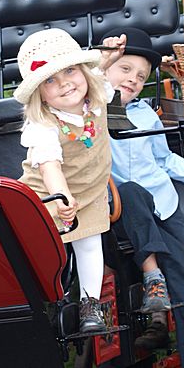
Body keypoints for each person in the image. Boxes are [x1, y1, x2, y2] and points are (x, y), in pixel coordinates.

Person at [101, 27, 184, 368]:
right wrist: (100, 68)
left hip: (161, 206)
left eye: (141, 76)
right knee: (130, 191)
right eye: (125, 69)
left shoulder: (145, 114)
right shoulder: (93, 110)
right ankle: (151, 277)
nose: (133, 79)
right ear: (106, 68)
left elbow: (163, 159)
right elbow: (102, 109)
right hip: (119, 210)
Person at [14, 28, 124, 333]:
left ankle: (91, 305)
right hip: (50, 194)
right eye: (50, 80)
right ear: (39, 94)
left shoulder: (97, 97)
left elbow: (98, 68)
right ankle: (43, 304)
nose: (64, 83)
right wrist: (61, 198)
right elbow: (50, 167)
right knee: (48, 250)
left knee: (89, 244)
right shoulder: (43, 125)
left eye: (70, 71)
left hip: (90, 191)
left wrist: (109, 56)